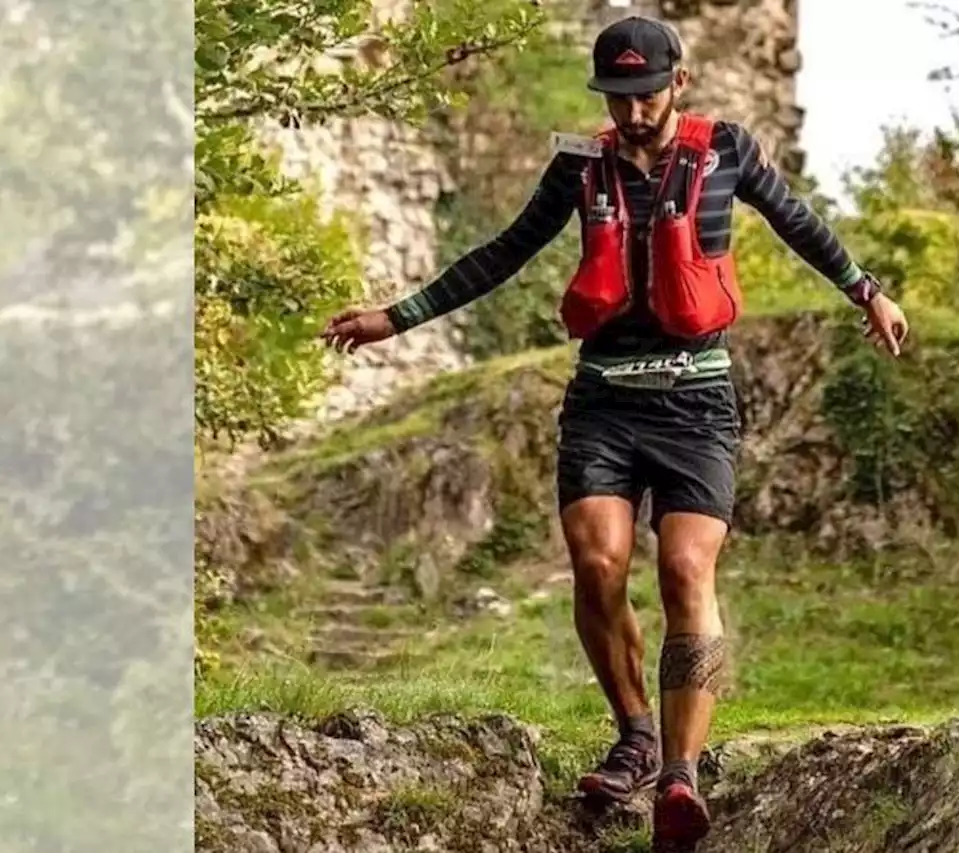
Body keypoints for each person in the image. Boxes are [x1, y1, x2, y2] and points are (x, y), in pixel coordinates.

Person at [321, 14, 909, 851]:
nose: (631, 111)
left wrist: (867, 289)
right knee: (596, 565)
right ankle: (635, 733)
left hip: (697, 403)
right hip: (603, 399)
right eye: (616, 97)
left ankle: (681, 772)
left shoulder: (728, 149)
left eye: (644, 93)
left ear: (680, 83)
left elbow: (798, 221)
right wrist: (398, 316)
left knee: (683, 569)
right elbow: (504, 252)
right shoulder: (578, 163)